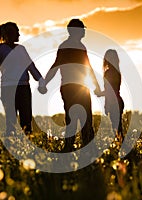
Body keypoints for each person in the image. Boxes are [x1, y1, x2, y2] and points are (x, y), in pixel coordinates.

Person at [39, 18, 101, 152]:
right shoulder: (72, 47)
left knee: (73, 118)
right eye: (82, 29)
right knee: (85, 119)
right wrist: (97, 87)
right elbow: (87, 68)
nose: (84, 31)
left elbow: (57, 66)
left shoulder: (70, 46)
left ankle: (70, 147)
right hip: (78, 87)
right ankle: (86, 149)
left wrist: (44, 83)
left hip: (71, 87)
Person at [0, 22, 45, 135]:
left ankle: (27, 147)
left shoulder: (21, 49)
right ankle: (12, 146)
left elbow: (31, 66)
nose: (19, 34)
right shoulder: (0, 50)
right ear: (9, 33)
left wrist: (41, 81)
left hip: (24, 88)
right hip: (8, 89)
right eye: (16, 31)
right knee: (11, 121)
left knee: (26, 120)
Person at [96, 49, 124, 141]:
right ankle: (120, 145)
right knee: (117, 127)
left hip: (113, 103)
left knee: (115, 128)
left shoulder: (109, 73)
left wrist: (100, 93)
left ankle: (120, 146)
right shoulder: (117, 72)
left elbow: (110, 91)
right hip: (117, 101)